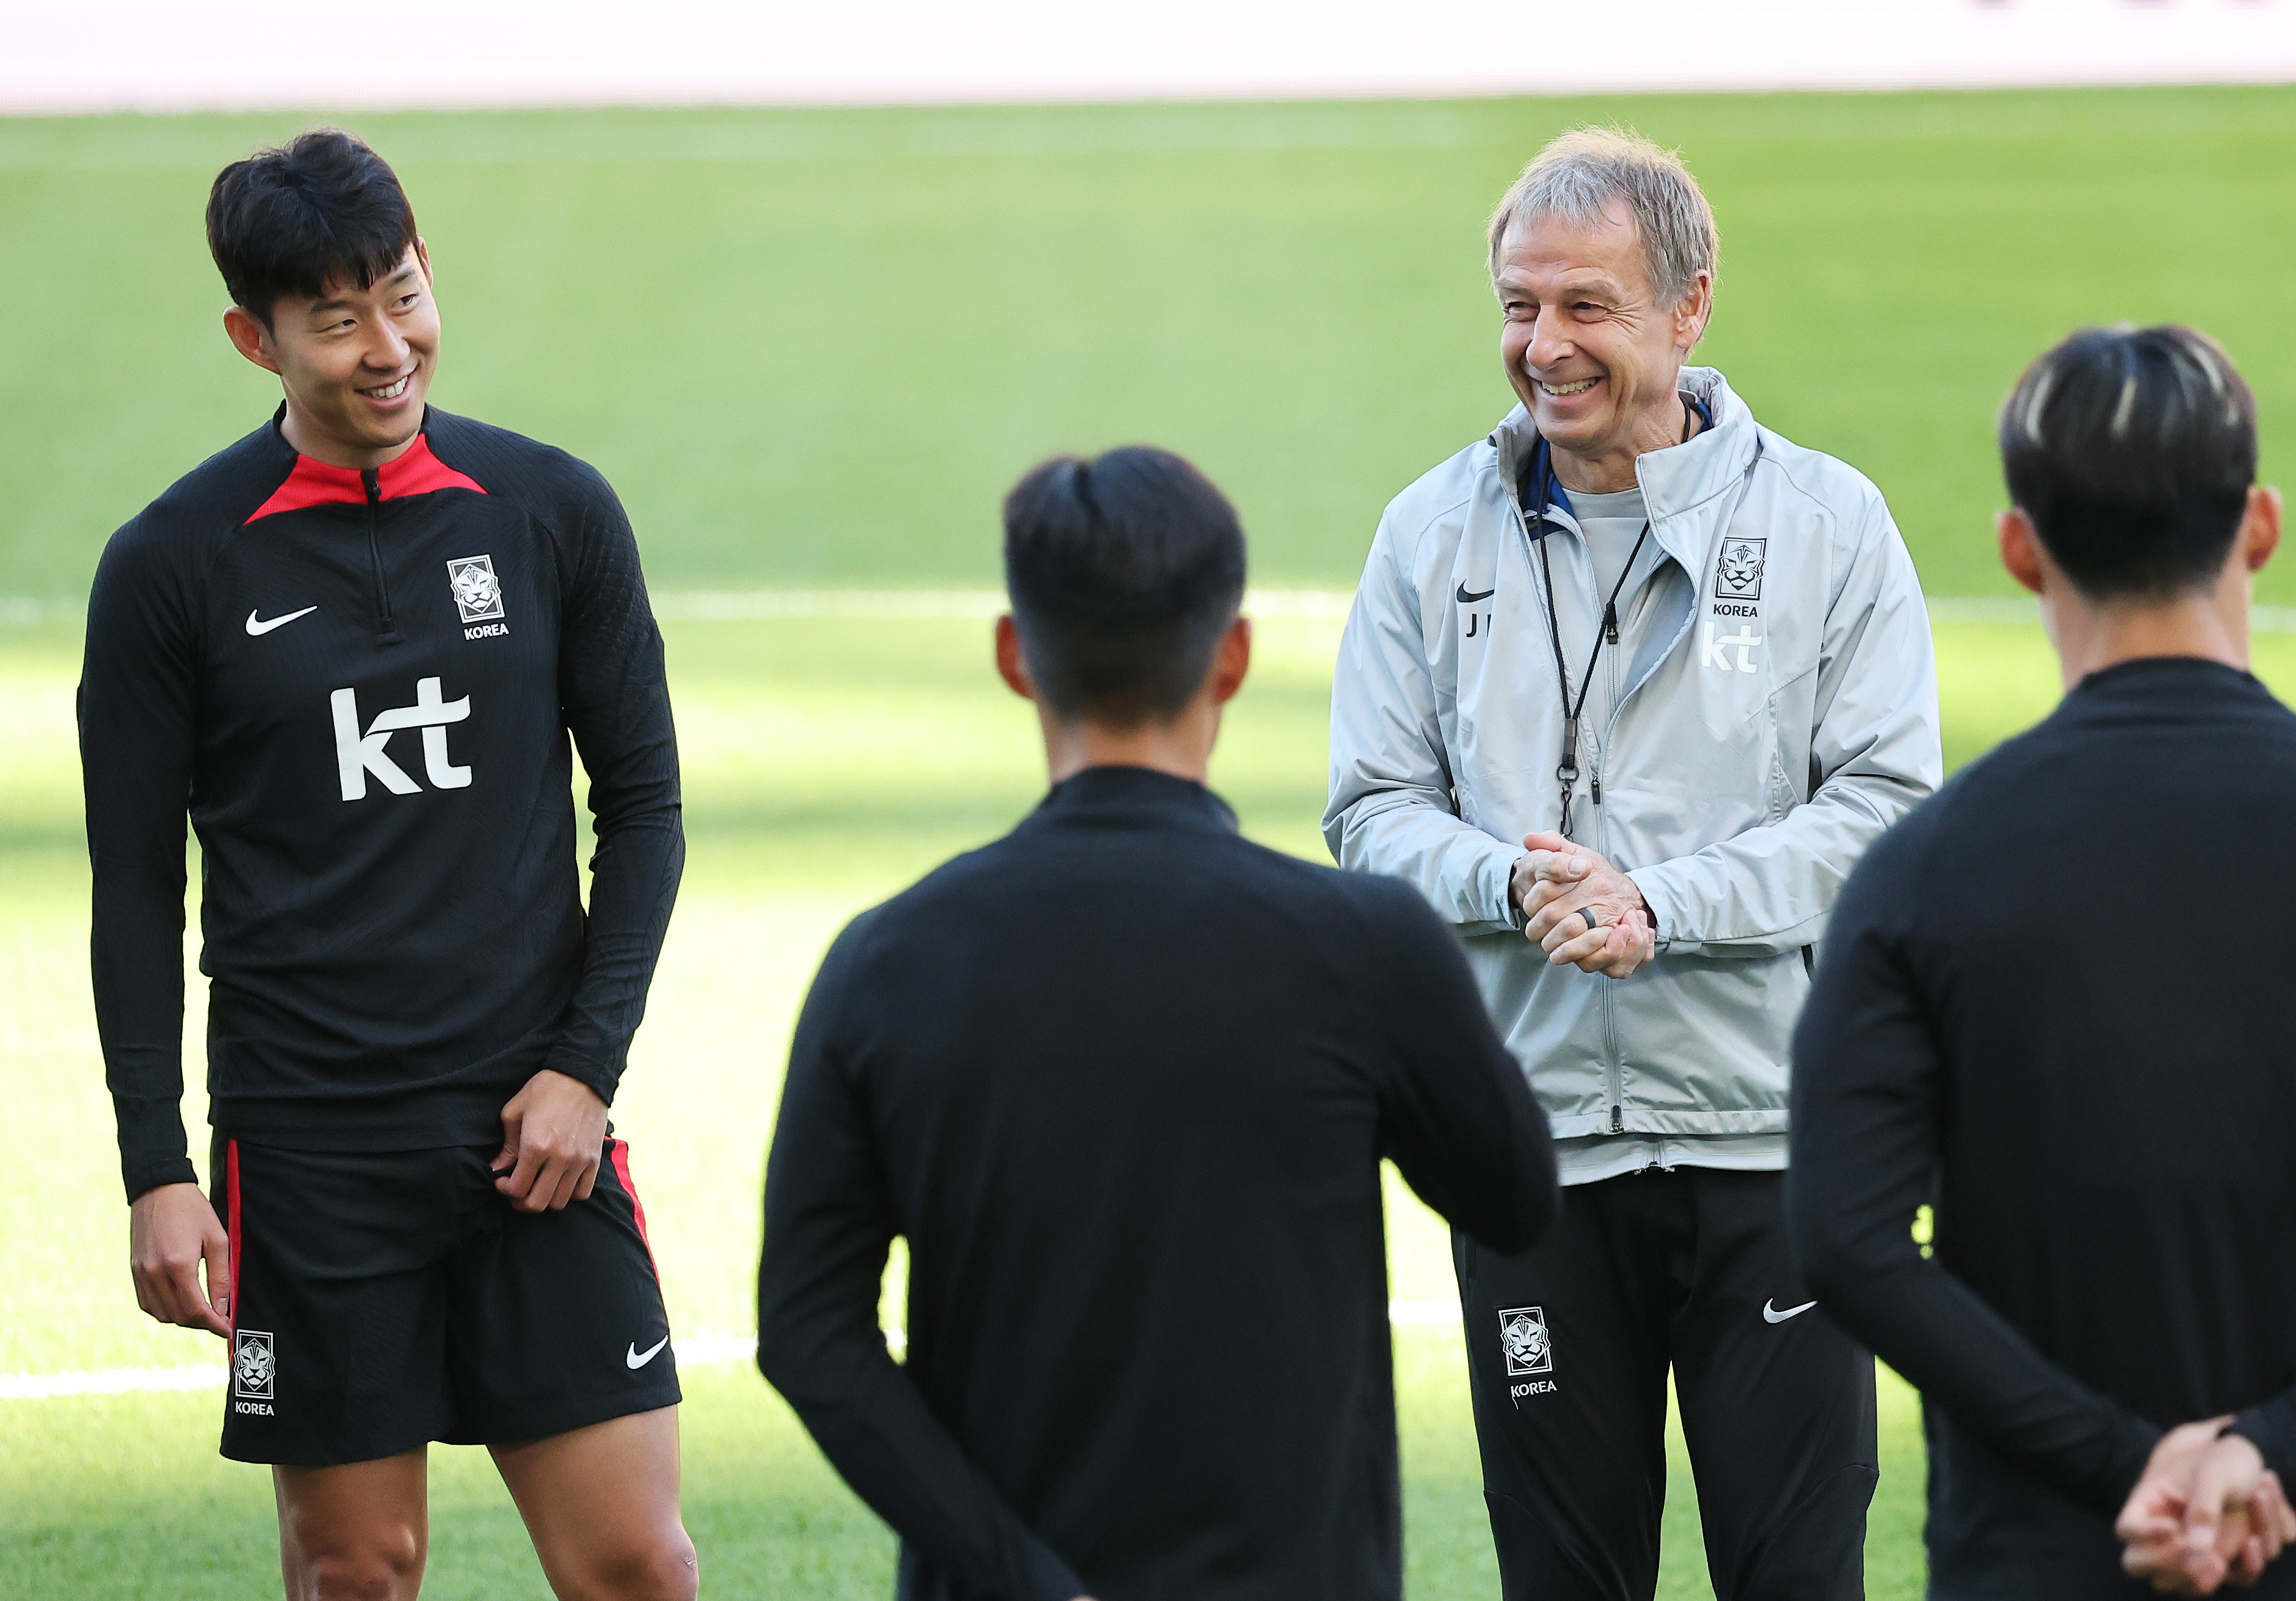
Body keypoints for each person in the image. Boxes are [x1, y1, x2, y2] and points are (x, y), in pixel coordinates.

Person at [758, 446, 1557, 1601]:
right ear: (1233, 655)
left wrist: (1018, 1576)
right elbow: (1515, 1195)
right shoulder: (1363, 944)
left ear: (1013, 654)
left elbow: (807, 1332)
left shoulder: (884, 962)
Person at [1324, 128, 1942, 1598]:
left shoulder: (1829, 524)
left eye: (1586, 306)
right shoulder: (1426, 533)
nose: (1544, 347)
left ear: (1690, 306)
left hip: (1769, 1146)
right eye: (1520, 306)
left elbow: (1887, 813)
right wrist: (1508, 881)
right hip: (1532, 1154)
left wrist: (1662, 905)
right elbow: (1371, 811)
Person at [79, 130, 695, 1600]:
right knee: (357, 1570)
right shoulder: (172, 565)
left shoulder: (551, 512)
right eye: (337, 319)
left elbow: (646, 809)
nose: (387, 347)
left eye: (403, 296)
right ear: (256, 339)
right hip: (310, 1150)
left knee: (637, 1564)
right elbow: (133, 887)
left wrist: (584, 1068)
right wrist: (157, 1169)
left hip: (535, 1131)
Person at [1789, 324, 2296, 1599]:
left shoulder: (1922, 871)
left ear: (2020, 549)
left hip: (2036, 1559)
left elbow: (1846, 1239)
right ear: (2260, 527)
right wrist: (2260, 1449)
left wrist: (2124, 1462)